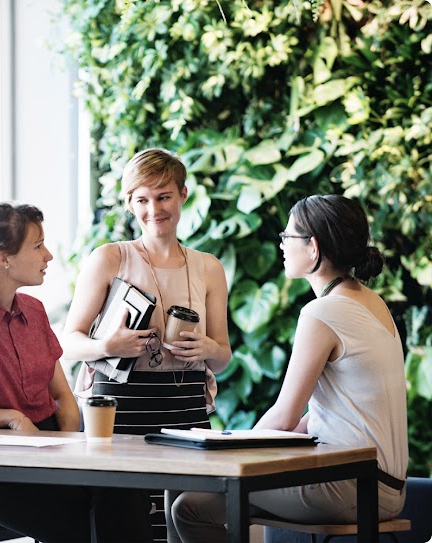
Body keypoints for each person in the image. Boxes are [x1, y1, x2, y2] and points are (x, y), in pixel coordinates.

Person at [170, 194, 409, 542]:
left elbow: (284, 416)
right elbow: (327, 414)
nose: (281, 243)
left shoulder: (323, 313)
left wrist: (228, 456)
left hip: (350, 489)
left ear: (312, 247)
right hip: (386, 488)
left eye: (288, 236)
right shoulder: (373, 303)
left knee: (188, 506)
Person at [0, 202, 153, 543]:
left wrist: (66, 455)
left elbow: (64, 398)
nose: (49, 256)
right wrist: (9, 417)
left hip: (48, 451)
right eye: (38, 246)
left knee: (124, 489)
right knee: (93, 522)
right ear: (4, 258)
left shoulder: (34, 311)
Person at [63, 148, 232, 540]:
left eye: (163, 196)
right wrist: (108, 345)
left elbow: (223, 356)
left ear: (183, 195)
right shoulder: (109, 258)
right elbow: (68, 342)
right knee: (126, 526)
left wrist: (208, 349)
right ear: (129, 203)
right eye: (141, 199)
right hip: (118, 410)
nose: (153, 209)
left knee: (184, 520)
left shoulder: (208, 267)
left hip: (186, 408)